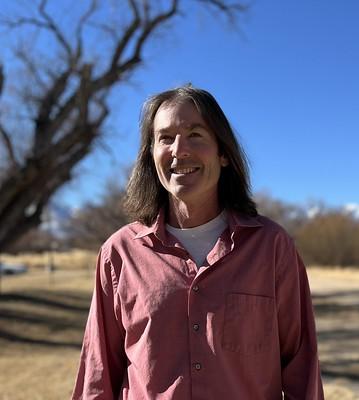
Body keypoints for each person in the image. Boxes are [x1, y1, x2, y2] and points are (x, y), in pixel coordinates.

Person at [72, 85, 324, 399]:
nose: (179, 150)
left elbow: (302, 368)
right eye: (165, 138)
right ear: (151, 155)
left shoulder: (272, 247)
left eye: (195, 134)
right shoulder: (119, 253)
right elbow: (98, 374)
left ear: (223, 154)